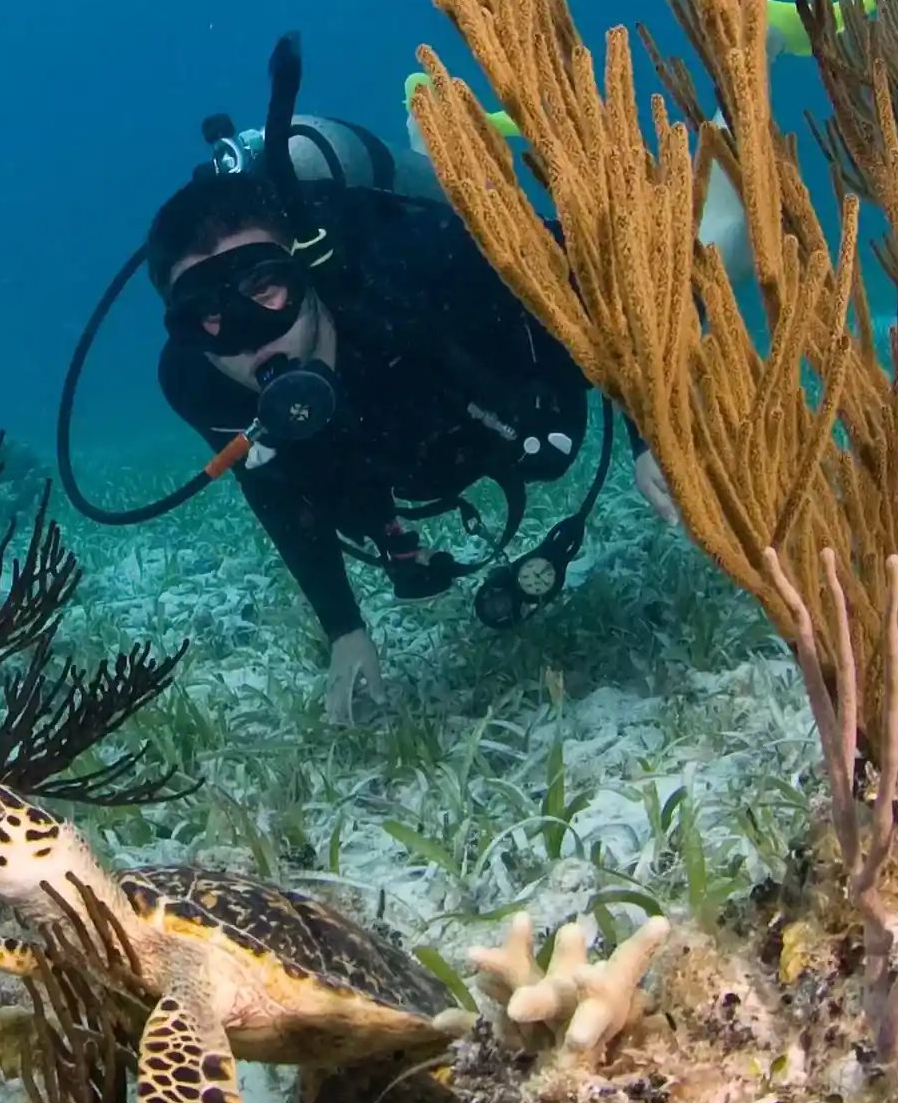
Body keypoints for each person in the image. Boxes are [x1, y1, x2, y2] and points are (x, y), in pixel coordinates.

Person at [145, 130, 681, 722]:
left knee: (710, 254)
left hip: (509, 362)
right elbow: (270, 487)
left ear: (305, 267)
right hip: (405, 446)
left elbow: (608, 278)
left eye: (264, 288)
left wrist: (650, 430)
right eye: (210, 316)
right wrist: (343, 627)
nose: (250, 335)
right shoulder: (195, 382)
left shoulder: (411, 256)